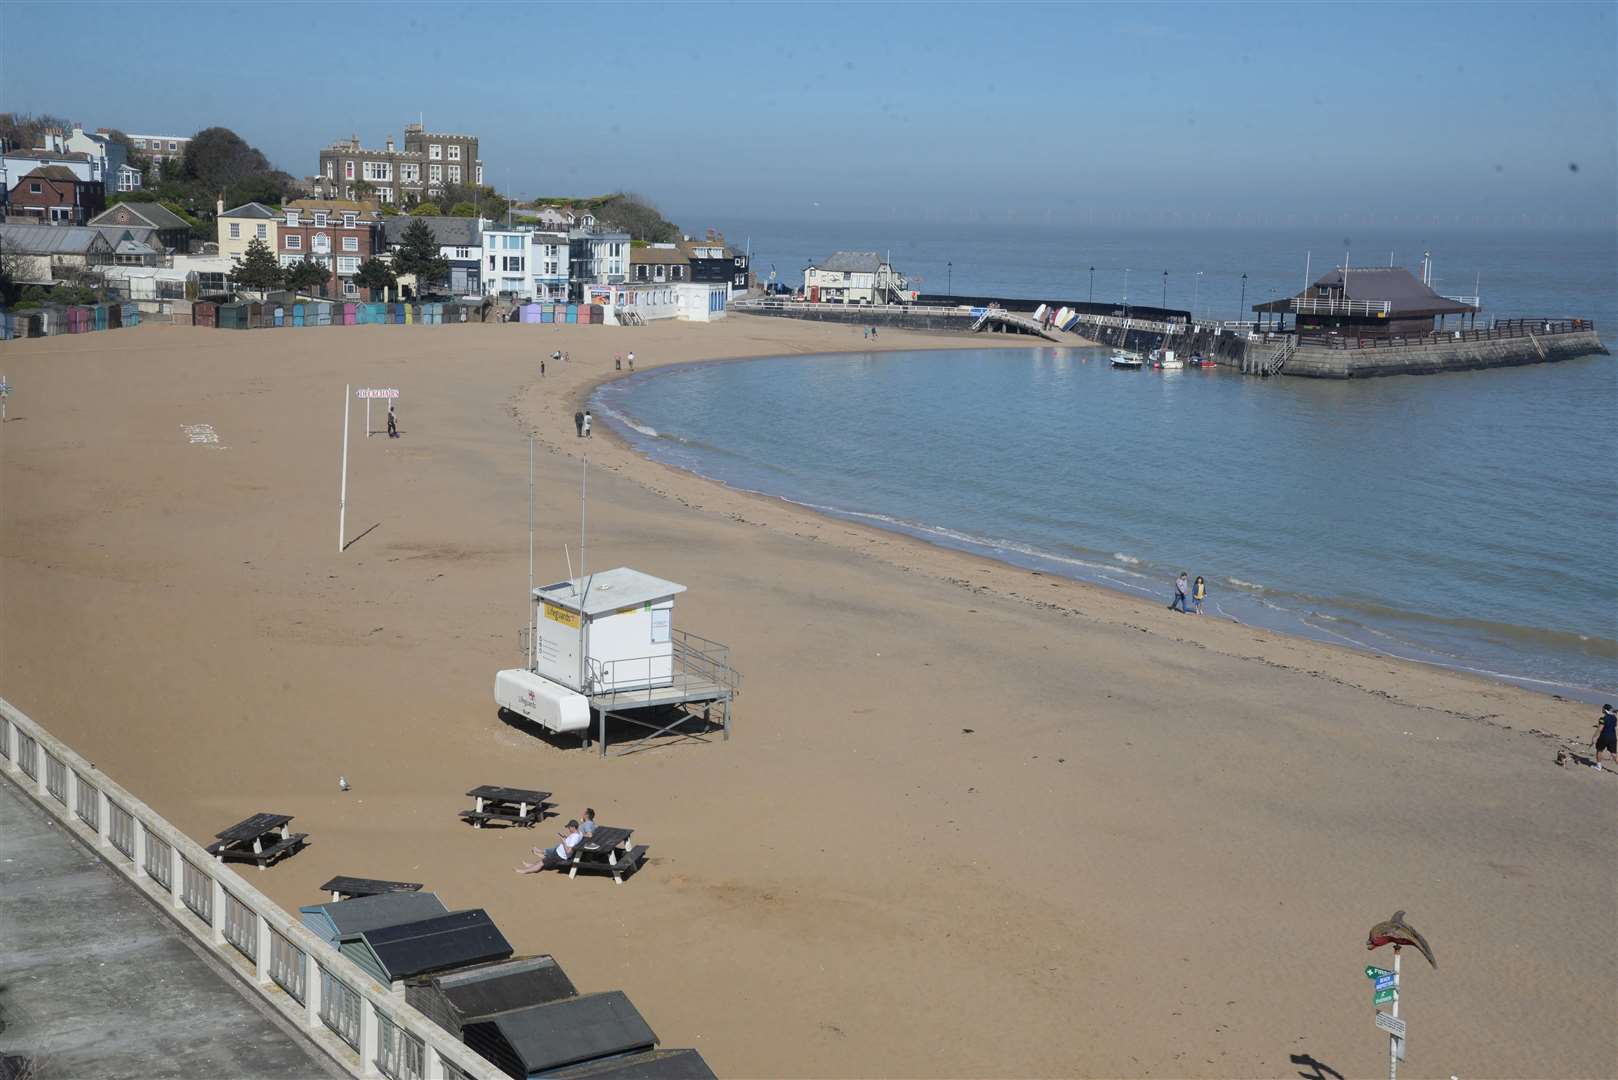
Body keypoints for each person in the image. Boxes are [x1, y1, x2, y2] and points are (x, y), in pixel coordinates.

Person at [516, 819, 583, 874]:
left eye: (569, 827)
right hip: (558, 852)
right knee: (544, 860)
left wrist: (563, 841)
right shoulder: (578, 833)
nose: (568, 829)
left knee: (541, 863)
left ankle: (525, 871)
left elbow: (568, 851)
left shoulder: (575, 837)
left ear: (574, 827)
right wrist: (566, 838)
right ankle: (531, 865)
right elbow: (571, 842)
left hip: (559, 855)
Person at [1592, 705, 1618, 771]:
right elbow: (1614, 725)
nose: (1602, 709)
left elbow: (1600, 729)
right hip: (1613, 737)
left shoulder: (1602, 718)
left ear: (1605, 710)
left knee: (1599, 750)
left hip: (1604, 737)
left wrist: (1594, 737)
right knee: (1614, 754)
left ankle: (1598, 766)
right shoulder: (1615, 718)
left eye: (1603, 708)